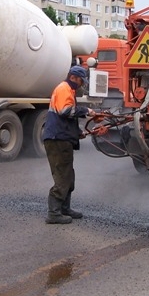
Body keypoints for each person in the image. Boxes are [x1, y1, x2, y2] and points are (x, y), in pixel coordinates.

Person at [42, 65, 97, 224]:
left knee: (68, 176)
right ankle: (54, 214)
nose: (81, 84)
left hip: (61, 138)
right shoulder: (64, 88)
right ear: (74, 77)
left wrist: (78, 131)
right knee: (62, 176)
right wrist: (86, 110)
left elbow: (65, 118)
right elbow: (66, 111)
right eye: (81, 81)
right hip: (57, 139)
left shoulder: (67, 90)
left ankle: (64, 209)